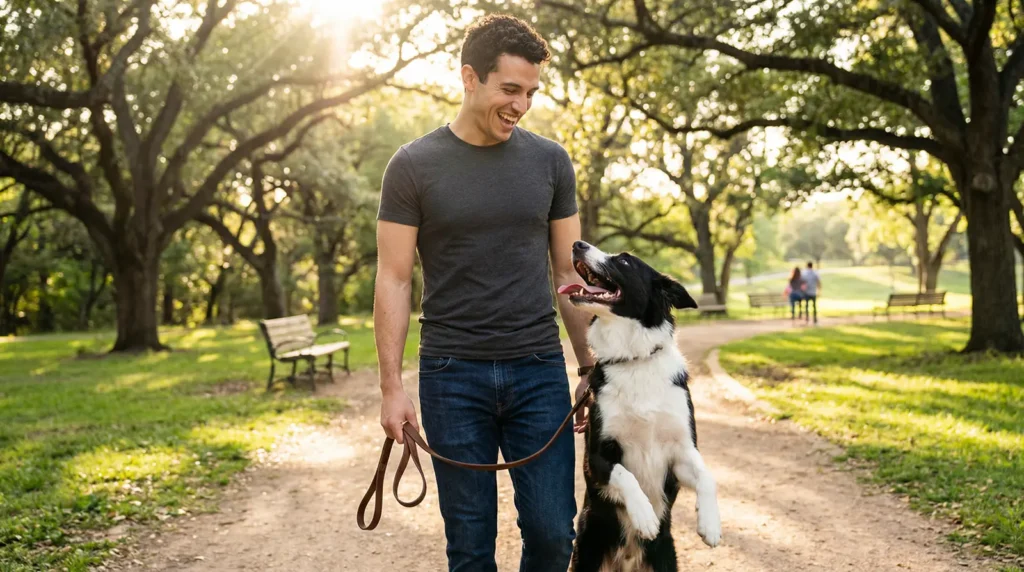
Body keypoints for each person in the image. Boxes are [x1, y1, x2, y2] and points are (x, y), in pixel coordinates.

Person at [373, 15, 594, 572]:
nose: (521, 106)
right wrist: (392, 388)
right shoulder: (412, 166)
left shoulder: (550, 162)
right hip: (453, 375)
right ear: (470, 77)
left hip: (538, 369)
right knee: (469, 549)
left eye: (531, 93)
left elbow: (568, 272)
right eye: (510, 90)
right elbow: (395, 278)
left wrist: (591, 361)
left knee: (551, 536)